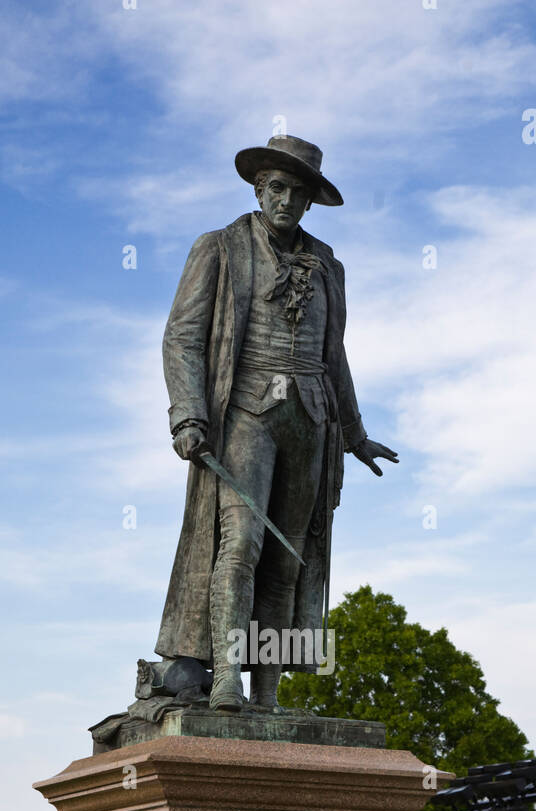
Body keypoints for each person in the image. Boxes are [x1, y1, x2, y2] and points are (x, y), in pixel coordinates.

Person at [156, 134, 397, 712]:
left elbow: (334, 354)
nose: (286, 200)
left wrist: (355, 434)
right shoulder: (219, 248)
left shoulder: (329, 265)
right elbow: (182, 337)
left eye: (298, 192)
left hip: (312, 417)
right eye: (277, 188)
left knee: (289, 556)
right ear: (260, 189)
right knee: (241, 543)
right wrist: (188, 413)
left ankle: (268, 694)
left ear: (311, 200)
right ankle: (225, 680)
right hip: (245, 412)